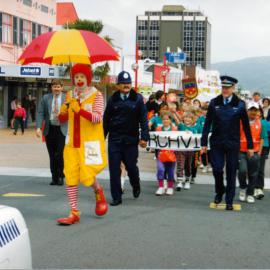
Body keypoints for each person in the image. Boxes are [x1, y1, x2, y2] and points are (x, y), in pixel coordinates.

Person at [57, 64, 108, 225]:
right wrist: (64, 112)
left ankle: (98, 191)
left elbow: (98, 118)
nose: (79, 80)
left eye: (82, 77)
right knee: (70, 175)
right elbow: (62, 120)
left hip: (90, 143)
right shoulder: (70, 95)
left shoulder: (97, 95)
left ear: (88, 78)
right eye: (76, 77)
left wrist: (80, 110)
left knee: (87, 174)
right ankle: (74, 212)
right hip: (71, 141)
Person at [201, 75, 253, 210]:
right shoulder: (214, 103)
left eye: (227, 87)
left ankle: (229, 200)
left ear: (233, 88)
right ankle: (220, 190)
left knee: (231, 172)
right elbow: (207, 124)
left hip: (232, 143)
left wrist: (250, 146)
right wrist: (203, 143)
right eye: (223, 87)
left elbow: (246, 127)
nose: (225, 89)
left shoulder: (240, 104)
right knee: (217, 169)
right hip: (217, 142)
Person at [103, 71, 149, 206]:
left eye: (128, 83)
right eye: (123, 83)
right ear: (118, 85)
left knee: (131, 167)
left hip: (131, 140)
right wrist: (101, 139)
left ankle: (136, 184)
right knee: (114, 169)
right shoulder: (113, 99)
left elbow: (144, 120)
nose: (126, 86)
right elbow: (106, 120)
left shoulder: (138, 99)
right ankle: (116, 197)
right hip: (115, 139)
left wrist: (144, 137)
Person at [36, 79, 67, 186]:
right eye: (54, 87)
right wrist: (39, 127)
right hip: (50, 129)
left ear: (62, 88)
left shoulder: (67, 98)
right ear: (51, 88)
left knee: (60, 154)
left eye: (58, 86)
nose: (56, 89)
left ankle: (61, 175)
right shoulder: (45, 98)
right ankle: (54, 177)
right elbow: (40, 113)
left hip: (62, 129)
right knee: (52, 155)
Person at [238, 102, 267, 203]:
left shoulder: (261, 123)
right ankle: (242, 188)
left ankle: (250, 193)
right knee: (242, 171)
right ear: (247, 111)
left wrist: (259, 152)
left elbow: (262, 138)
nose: (254, 112)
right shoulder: (241, 122)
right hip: (242, 151)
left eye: (256, 110)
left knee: (253, 174)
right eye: (252, 110)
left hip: (255, 153)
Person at [176, 112, 200, 191]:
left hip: (190, 150)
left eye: (189, 118)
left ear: (192, 120)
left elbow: (198, 138)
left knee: (188, 165)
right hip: (181, 149)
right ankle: (179, 181)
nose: (187, 119)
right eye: (186, 117)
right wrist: (174, 112)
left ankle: (187, 180)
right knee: (180, 164)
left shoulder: (194, 129)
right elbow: (176, 121)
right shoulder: (181, 126)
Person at [155, 111, 177, 196]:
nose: (165, 121)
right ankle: (161, 187)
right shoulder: (158, 129)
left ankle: (170, 187)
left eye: (167, 119)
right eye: (164, 119)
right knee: (160, 169)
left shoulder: (174, 130)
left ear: (170, 120)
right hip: (161, 154)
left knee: (170, 171)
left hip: (171, 154)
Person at [255, 108, 270, 199]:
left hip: (263, 147)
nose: (256, 113)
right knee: (252, 169)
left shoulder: (265, 123)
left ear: (261, 113)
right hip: (251, 147)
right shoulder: (248, 122)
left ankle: (259, 188)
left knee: (260, 168)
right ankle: (252, 187)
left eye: (258, 111)